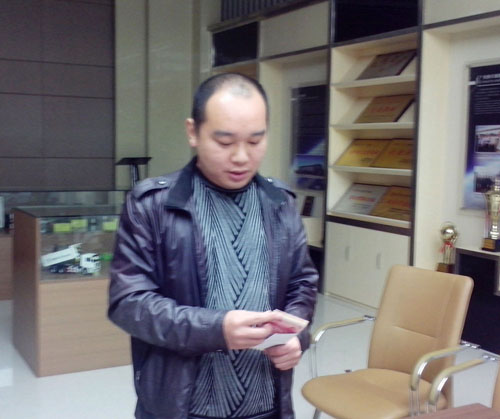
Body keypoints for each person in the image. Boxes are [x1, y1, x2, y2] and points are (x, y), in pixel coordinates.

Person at [108, 72, 318, 419]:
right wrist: (216, 329)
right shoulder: (152, 205)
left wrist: (297, 337)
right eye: (224, 142)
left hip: (266, 401)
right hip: (182, 405)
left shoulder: (280, 202)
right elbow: (128, 303)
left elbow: (302, 283)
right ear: (193, 132)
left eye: (255, 141)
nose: (241, 157)